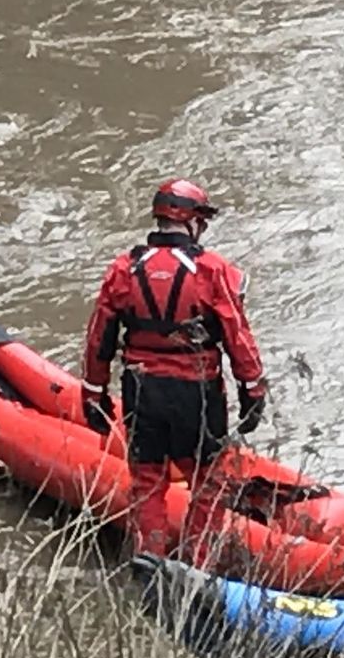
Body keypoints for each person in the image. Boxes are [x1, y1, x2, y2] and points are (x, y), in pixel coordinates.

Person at [81, 179, 269, 559]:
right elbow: (237, 336)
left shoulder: (123, 269)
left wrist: (93, 393)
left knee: (147, 482)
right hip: (195, 393)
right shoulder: (213, 270)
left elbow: (99, 337)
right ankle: (196, 572)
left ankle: (149, 563)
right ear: (192, 221)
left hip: (141, 389)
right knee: (207, 483)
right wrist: (252, 391)